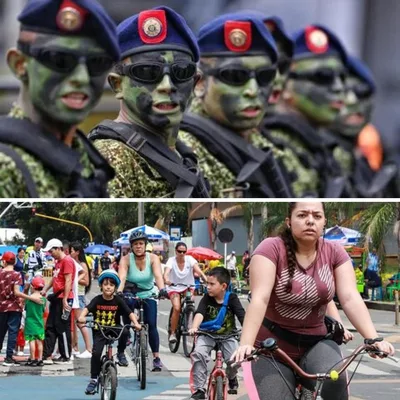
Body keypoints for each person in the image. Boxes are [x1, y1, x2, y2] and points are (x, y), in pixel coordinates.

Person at [232, 202, 395, 400]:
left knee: (336, 385)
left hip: (317, 342)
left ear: (324, 221)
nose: (310, 221)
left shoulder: (335, 252)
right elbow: (260, 298)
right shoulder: (271, 248)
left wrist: (373, 339)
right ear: (289, 222)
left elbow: (350, 297)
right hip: (272, 347)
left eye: (317, 216)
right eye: (302, 215)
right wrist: (246, 344)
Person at [0, 0, 120, 198]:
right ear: (20, 64)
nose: (81, 78)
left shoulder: (88, 159)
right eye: (60, 60)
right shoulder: (6, 165)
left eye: (97, 63)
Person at [88, 6, 210, 198]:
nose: (167, 85)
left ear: (195, 82)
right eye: (147, 72)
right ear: (117, 85)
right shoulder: (110, 159)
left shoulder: (186, 153)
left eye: (181, 72)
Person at [179, 12, 293, 198]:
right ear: (200, 83)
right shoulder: (184, 153)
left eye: (265, 76)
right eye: (235, 76)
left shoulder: (269, 148)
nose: (253, 90)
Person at [78, 269, 141, 395]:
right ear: (101, 286)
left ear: (115, 287)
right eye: (105, 284)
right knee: (96, 353)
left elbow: (129, 312)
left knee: (124, 333)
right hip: (99, 329)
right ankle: (93, 379)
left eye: (111, 285)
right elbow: (86, 309)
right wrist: (82, 317)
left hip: (114, 327)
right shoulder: (97, 299)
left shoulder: (118, 300)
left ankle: (121, 353)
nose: (108, 287)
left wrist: (136, 323)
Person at [189, 267, 245, 399]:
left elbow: (242, 316)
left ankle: (231, 377)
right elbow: (199, 313)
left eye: (211, 284)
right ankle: (199, 389)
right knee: (198, 354)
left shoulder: (232, 298)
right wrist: (194, 327)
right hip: (207, 334)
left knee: (236, 360)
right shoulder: (207, 298)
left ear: (223, 286)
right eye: (207, 283)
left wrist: (249, 333)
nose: (207, 287)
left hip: (228, 335)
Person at [116, 231, 167, 371]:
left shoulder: (153, 258)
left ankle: (156, 358)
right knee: (126, 325)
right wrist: (119, 292)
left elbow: (158, 275)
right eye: (135, 244)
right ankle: (120, 353)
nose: (138, 246)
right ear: (131, 246)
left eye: (141, 244)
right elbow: (122, 277)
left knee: (151, 324)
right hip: (129, 294)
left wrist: (162, 289)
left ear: (145, 245)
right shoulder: (126, 259)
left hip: (148, 294)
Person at [0, 251, 42, 366]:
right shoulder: (17, 275)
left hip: (1, 307)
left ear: (4, 261)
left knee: (1, 331)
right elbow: (17, 292)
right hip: (14, 307)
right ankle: (9, 357)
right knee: (13, 331)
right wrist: (30, 298)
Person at [163, 242, 208, 343]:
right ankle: (173, 332)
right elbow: (166, 273)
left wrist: (205, 278)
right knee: (177, 307)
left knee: (190, 302)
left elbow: (198, 271)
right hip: (174, 287)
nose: (182, 253)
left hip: (188, 287)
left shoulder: (190, 259)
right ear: (176, 251)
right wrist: (166, 280)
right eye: (180, 251)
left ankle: (190, 323)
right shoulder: (171, 261)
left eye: (184, 251)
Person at [41, 238, 76, 364]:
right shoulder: (58, 262)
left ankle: (65, 354)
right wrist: (45, 289)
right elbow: (54, 278)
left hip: (64, 298)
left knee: (62, 327)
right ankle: (47, 353)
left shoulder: (67, 261)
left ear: (58, 248)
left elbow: (68, 281)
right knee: (51, 326)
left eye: (51, 251)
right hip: (57, 297)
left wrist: (66, 299)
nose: (51, 254)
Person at [70, 242, 92, 359]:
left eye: (72, 251)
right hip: (73, 295)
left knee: (80, 322)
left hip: (79, 295)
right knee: (73, 323)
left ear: (78, 252)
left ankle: (89, 349)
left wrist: (73, 280)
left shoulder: (82, 264)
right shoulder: (74, 263)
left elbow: (86, 282)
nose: (70, 253)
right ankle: (75, 348)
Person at [24, 276, 47, 366]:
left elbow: (25, 309)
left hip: (30, 322)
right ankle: (40, 359)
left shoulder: (29, 299)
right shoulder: (43, 300)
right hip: (39, 322)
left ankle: (33, 358)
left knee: (32, 341)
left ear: (32, 287)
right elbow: (44, 310)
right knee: (40, 342)